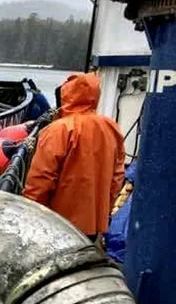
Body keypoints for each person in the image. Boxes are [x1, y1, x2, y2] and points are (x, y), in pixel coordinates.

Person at [22, 73, 126, 243]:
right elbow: (117, 177)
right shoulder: (111, 127)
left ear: (66, 94)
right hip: (92, 224)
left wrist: (29, 214)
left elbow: (41, 178)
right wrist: (104, 210)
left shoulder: (58, 130)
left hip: (58, 222)